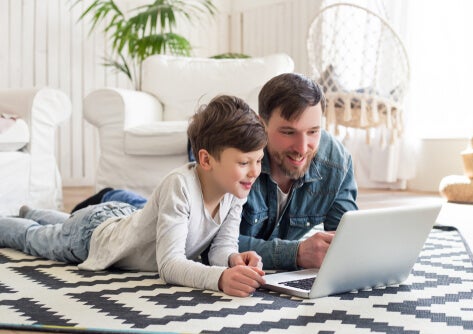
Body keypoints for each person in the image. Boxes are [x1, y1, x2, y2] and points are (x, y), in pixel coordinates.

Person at [72, 72, 359, 270]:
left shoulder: (337, 162)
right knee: (157, 220)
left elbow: (346, 237)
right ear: (262, 124)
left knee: (158, 214)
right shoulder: (226, 149)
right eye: (287, 132)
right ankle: (112, 196)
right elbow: (209, 243)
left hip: (183, 219)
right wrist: (294, 253)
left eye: (313, 132)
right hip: (182, 224)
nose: (302, 146)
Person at [0, 95, 267, 297]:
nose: (254, 172)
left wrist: (233, 260)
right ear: (206, 159)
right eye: (244, 162)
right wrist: (220, 279)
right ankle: (11, 218)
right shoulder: (181, 186)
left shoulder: (235, 190)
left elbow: (220, 249)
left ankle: (30, 210)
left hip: (122, 219)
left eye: (258, 160)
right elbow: (170, 265)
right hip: (93, 238)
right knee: (34, 238)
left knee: (64, 222)